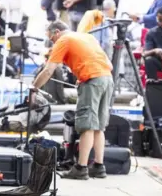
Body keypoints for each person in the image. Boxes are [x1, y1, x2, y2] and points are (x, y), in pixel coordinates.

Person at [33, 21, 113, 180]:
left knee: (87, 125)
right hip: (106, 78)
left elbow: (49, 70)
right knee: (98, 127)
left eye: (51, 39)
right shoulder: (85, 37)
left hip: (93, 81)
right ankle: (99, 166)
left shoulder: (63, 40)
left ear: (56, 32)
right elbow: (107, 63)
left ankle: (81, 168)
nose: (53, 43)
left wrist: (33, 88)